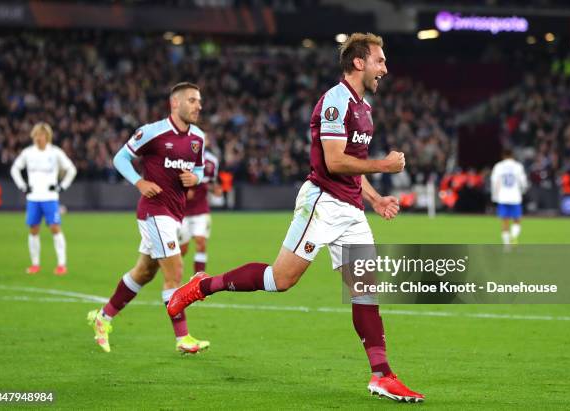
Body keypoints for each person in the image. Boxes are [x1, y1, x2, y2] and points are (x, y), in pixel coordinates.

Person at [168, 33, 424, 403]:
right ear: (358, 62)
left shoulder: (364, 108)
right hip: (322, 202)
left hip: (351, 209)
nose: (384, 68)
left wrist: (374, 197)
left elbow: (352, 167)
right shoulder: (335, 102)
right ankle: (202, 286)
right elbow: (335, 161)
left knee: (366, 291)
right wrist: (384, 165)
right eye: (379, 61)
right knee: (279, 279)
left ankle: (381, 374)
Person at [87, 82, 210, 354]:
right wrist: (139, 183)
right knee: (175, 272)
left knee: (144, 272)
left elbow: (200, 168)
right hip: (154, 212)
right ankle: (183, 338)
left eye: (199, 101)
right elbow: (120, 158)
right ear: (175, 103)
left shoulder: (198, 138)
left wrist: (196, 177)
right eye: (192, 100)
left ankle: (103, 318)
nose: (198, 105)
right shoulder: (152, 132)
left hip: (175, 213)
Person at [10, 122, 77, 275]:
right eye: (35, 135)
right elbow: (15, 169)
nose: (37, 138)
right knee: (33, 229)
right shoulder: (28, 153)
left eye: (40, 135)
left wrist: (62, 186)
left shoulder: (55, 153)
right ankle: (35, 264)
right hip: (33, 198)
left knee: (55, 228)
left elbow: (71, 169)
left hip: (50, 198)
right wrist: (22, 186)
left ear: (47, 136)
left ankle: (61, 264)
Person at [178, 150, 220, 274]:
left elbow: (211, 183)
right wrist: (185, 192)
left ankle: (198, 280)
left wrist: (215, 189)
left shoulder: (210, 162)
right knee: (183, 249)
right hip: (181, 212)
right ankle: (173, 274)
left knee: (201, 243)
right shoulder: (180, 159)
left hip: (201, 210)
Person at [491, 148, 528, 246]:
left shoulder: (498, 166)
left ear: (503, 156)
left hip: (503, 197)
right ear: (513, 155)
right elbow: (523, 182)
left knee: (505, 221)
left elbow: (495, 182)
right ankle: (514, 237)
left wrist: (495, 196)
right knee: (517, 220)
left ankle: (507, 245)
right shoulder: (518, 166)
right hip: (515, 197)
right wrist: (523, 191)